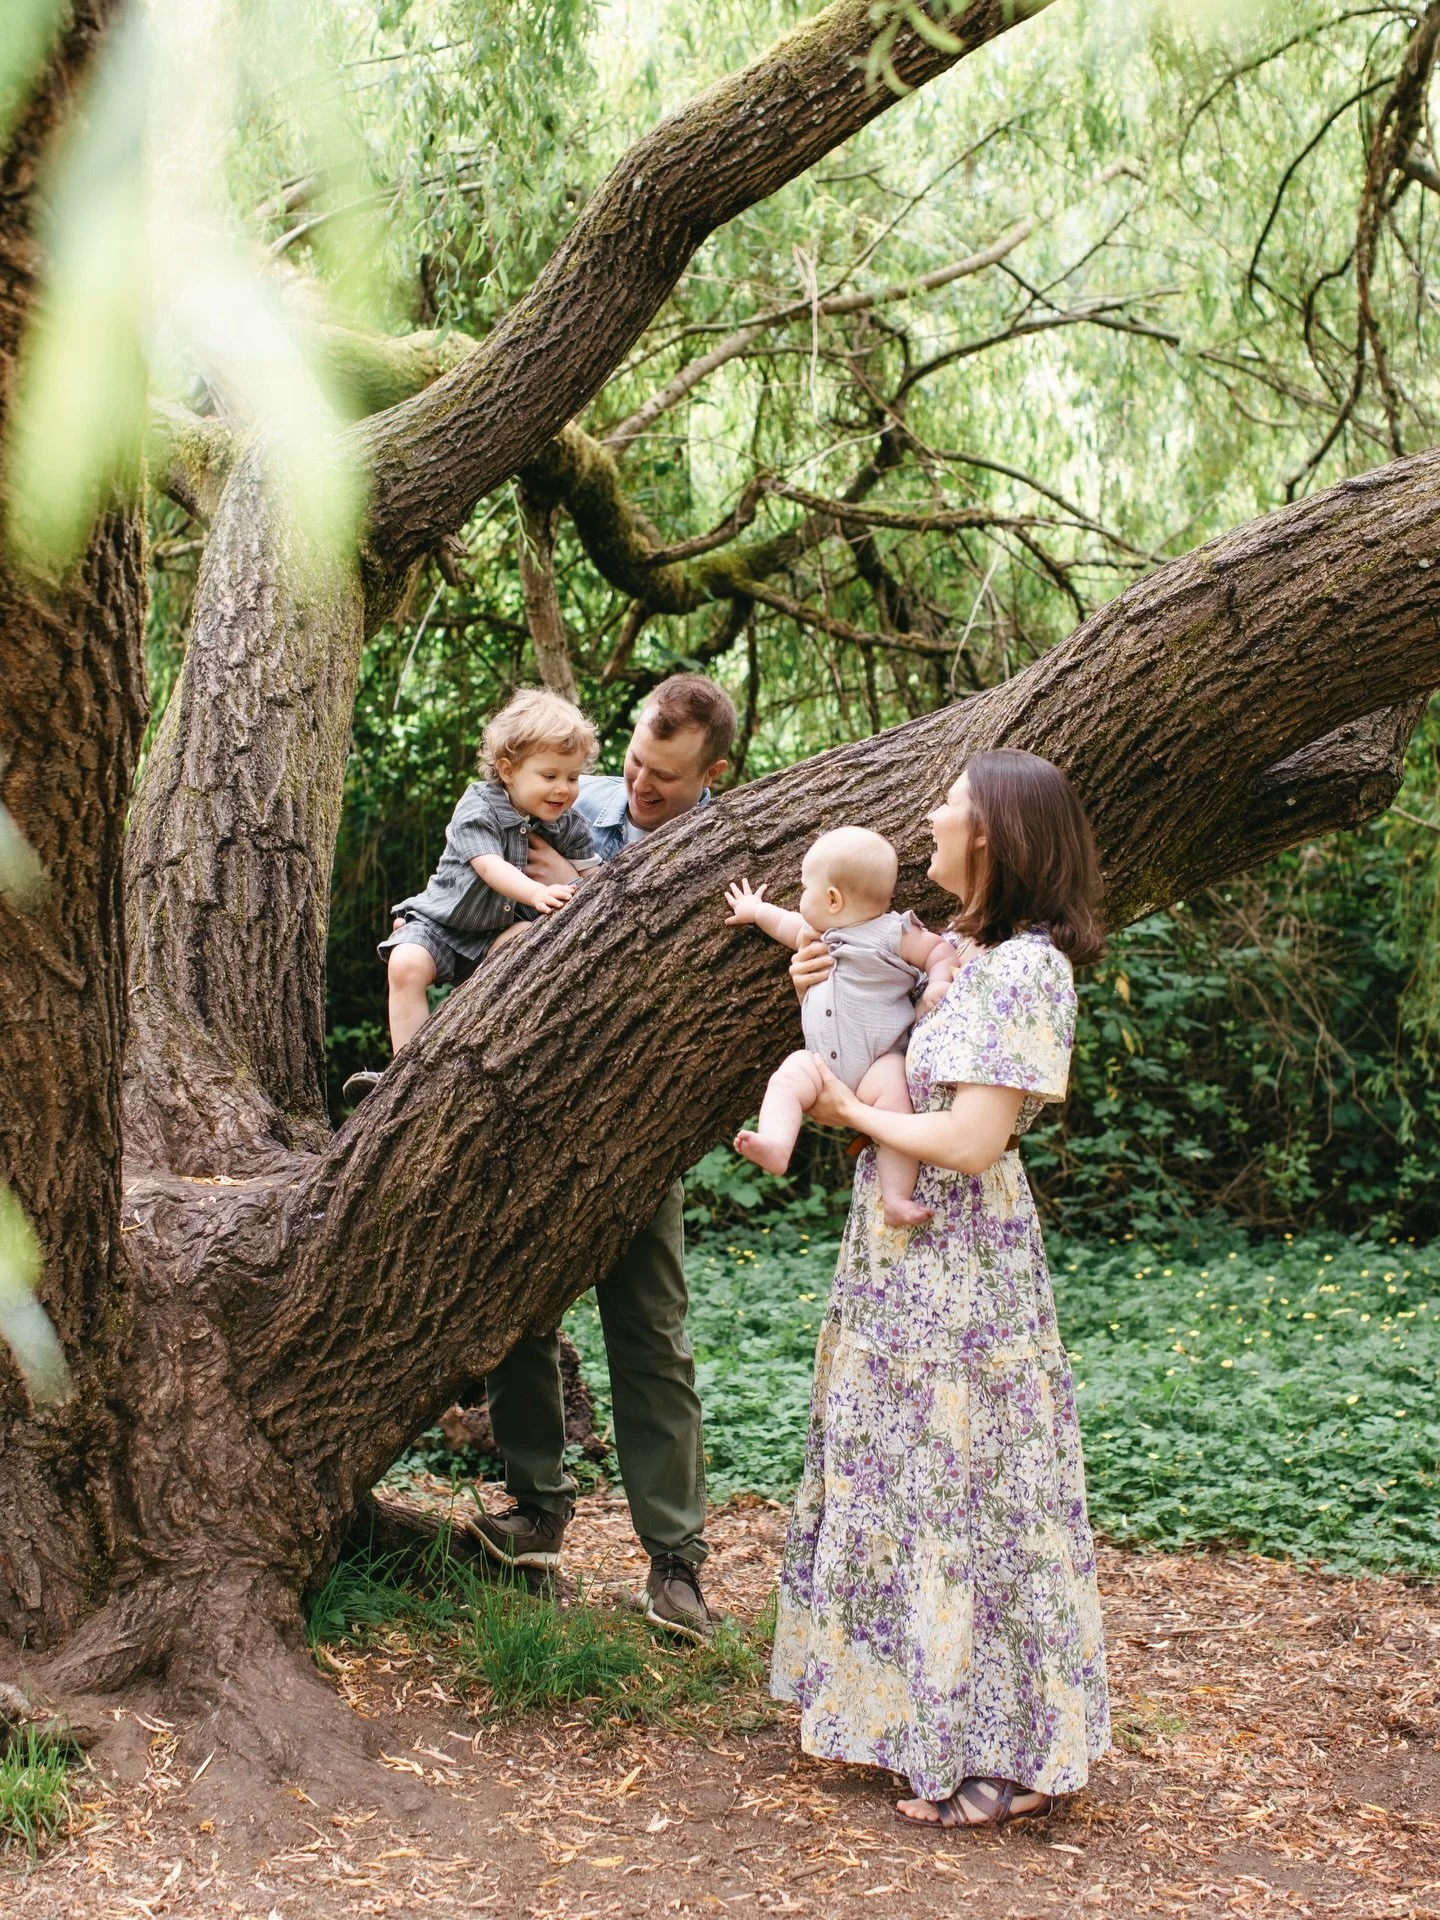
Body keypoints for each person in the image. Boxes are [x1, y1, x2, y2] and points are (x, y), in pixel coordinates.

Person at [769, 749, 1111, 1829]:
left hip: (968, 1273)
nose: (931, 812)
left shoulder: (1030, 970)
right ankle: (912, 1723)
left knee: (977, 1493)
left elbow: (970, 1138)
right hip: (901, 1267)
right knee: (906, 1482)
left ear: (996, 838)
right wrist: (821, 1001)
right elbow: (891, 1048)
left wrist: (848, 1119)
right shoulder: (962, 948)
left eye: (951, 805)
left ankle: (1008, 1751)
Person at [472, 673, 738, 1644]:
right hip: (530, 1109)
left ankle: (674, 1566)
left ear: (712, 773)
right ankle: (534, 1516)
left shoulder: (726, 850)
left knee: (650, 1336)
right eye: (631, 760)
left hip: (638, 1127)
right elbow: (475, 897)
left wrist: (587, 897)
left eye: (663, 777)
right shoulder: (564, 798)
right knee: (519, 1311)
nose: (637, 785)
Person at [342, 689, 599, 1100]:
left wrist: (580, 885)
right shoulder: (478, 804)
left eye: (572, 777)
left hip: (494, 936)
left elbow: (599, 876)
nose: (563, 789)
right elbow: (487, 865)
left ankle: (473, 1061)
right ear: (508, 769)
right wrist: (536, 893)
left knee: (529, 944)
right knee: (406, 965)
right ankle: (404, 1078)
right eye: (549, 776)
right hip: (441, 925)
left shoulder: (567, 823)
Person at [722, 828, 958, 1226]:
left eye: (804, 888)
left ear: (832, 898)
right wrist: (756, 910)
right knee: (787, 1078)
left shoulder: (890, 933)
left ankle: (896, 1198)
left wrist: (938, 981)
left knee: (896, 1110)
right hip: (822, 1066)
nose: (800, 898)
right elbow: (784, 922)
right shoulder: (816, 933)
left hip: (880, 1061)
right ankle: (777, 1144)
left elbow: (938, 950)